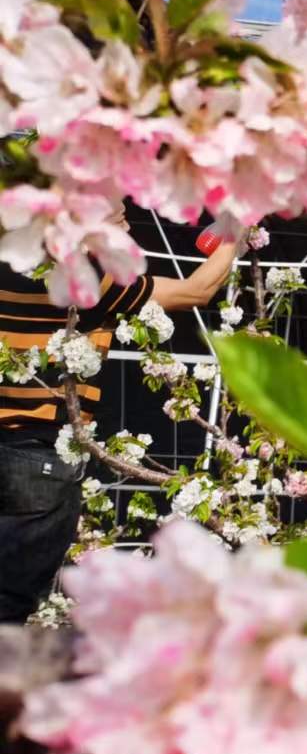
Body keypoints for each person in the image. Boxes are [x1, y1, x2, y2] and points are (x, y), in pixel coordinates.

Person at [0, 231, 240, 624]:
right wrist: (234, 233)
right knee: (9, 601)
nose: (125, 225)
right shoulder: (84, 277)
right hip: (39, 454)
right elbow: (197, 290)